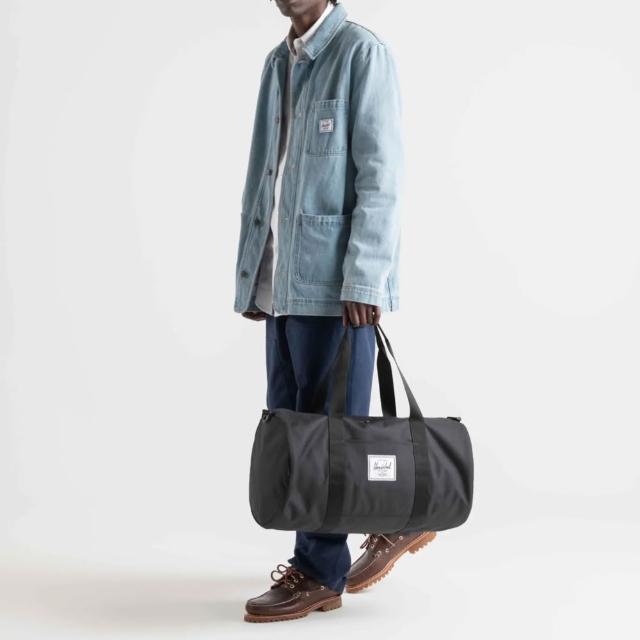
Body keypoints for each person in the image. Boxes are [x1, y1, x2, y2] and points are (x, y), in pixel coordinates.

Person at [233, 0, 436, 623]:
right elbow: (266, 174)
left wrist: (366, 276)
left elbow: (382, 175)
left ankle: (320, 571)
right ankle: (396, 515)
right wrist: (254, 276)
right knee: (293, 429)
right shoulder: (278, 62)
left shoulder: (361, 53)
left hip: (337, 286)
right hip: (284, 286)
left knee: (331, 433)